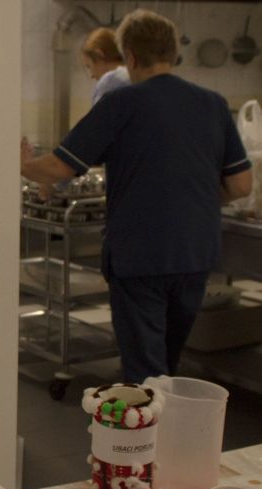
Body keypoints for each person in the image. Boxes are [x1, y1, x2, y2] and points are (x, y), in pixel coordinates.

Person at [21, 9, 252, 384]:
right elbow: (241, 186)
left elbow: (59, 168)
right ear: (173, 53)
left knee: (145, 370)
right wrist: (192, 200)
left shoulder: (120, 104)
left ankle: (145, 420)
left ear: (129, 56)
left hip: (140, 255)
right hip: (194, 254)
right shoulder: (213, 104)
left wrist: (23, 165)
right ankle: (166, 416)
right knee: (167, 363)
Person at [81, 27, 131, 105]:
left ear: (99, 56)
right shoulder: (135, 75)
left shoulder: (109, 81)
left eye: (89, 66)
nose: (92, 75)